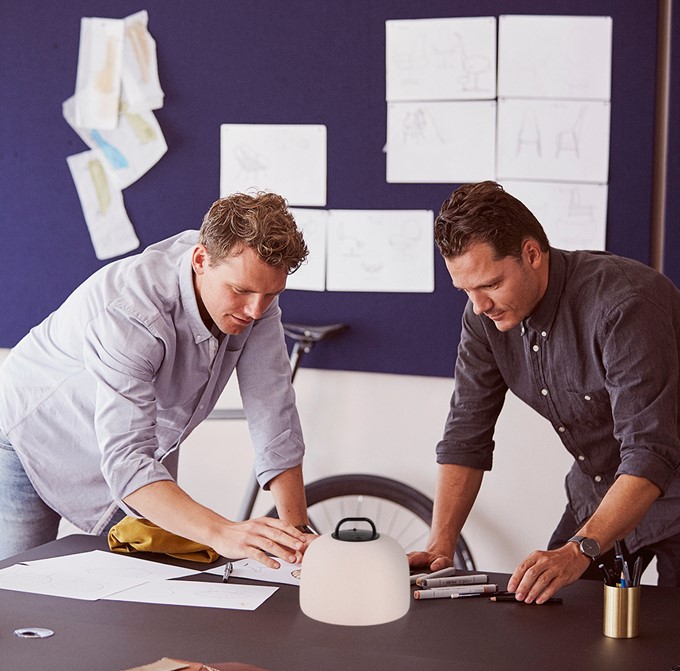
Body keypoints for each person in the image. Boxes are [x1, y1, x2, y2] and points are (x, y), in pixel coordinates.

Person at [0, 191, 313, 566]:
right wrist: (222, 531)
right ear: (201, 260)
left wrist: (298, 538)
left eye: (271, 294)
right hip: (31, 434)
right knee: (18, 584)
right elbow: (127, 460)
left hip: (127, 453)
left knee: (148, 576)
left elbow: (274, 412)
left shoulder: (253, 294)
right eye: (241, 291)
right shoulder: (133, 311)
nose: (255, 310)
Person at [409, 180, 680, 602]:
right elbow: (466, 435)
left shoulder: (624, 305)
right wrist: (440, 545)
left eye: (491, 284)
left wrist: (580, 549)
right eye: (466, 290)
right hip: (597, 493)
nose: (479, 305)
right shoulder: (483, 317)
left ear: (532, 254)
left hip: (670, 491)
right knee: (549, 619)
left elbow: (650, 451)